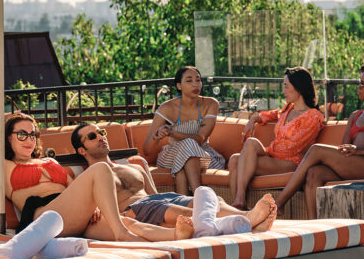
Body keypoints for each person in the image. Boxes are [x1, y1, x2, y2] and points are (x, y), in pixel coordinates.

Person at [0, 113, 192, 243]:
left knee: (129, 223)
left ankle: (175, 236)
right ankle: (121, 234)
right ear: (8, 139)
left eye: (33, 134)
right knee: (101, 170)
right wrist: (6, 130)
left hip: (72, 215)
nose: (29, 140)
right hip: (45, 217)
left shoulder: (49, 161)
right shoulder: (2, 166)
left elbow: (75, 189)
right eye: (22, 135)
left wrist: (94, 209)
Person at [71, 123, 277, 233]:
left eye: (101, 132)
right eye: (92, 136)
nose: (100, 137)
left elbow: (156, 196)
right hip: (132, 210)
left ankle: (246, 217)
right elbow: (78, 203)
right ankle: (247, 221)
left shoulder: (133, 166)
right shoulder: (89, 177)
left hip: (155, 202)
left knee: (210, 200)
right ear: (82, 150)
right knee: (183, 210)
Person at [273, 61, 364, 218]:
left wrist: (360, 150)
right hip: (354, 165)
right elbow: (343, 147)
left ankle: (278, 204)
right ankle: (315, 228)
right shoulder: (355, 115)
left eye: (362, 83)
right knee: (314, 173)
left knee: (316, 150)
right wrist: (350, 151)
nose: (358, 87)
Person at [228, 66, 325, 210]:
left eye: (286, 87)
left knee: (241, 160)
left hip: (292, 163)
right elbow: (274, 114)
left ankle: (239, 205)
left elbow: (293, 147)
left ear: (299, 87)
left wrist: (268, 151)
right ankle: (239, 203)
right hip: (273, 158)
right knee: (236, 157)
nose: (283, 91)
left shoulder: (313, 117)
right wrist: (256, 118)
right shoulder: (288, 109)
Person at [142, 66, 226, 194]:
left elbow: (200, 139)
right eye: (189, 81)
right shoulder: (167, 108)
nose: (195, 84)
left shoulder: (210, 104)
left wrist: (172, 132)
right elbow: (146, 150)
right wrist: (157, 137)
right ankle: (200, 197)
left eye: (198, 80)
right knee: (186, 149)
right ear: (179, 86)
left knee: (183, 162)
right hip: (171, 154)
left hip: (203, 154)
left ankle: (184, 206)